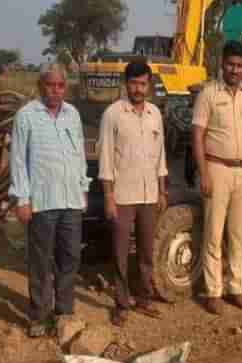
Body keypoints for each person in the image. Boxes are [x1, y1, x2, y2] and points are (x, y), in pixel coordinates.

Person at [9, 64, 91, 337]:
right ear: (40, 86)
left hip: (70, 201)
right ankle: (38, 316)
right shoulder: (26, 116)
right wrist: (22, 198)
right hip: (42, 202)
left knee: (70, 258)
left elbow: (79, 154)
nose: (55, 91)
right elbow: (18, 159)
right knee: (40, 261)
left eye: (60, 86)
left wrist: (83, 189)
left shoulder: (72, 114)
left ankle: (64, 313)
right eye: (50, 85)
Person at [191, 40, 242, 315]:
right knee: (213, 233)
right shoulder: (208, 94)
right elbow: (197, 135)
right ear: (222, 64)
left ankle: (236, 288)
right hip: (217, 169)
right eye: (231, 64)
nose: (235, 70)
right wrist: (204, 172)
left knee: (238, 234)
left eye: (239, 66)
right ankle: (213, 292)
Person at [97, 61, 169, 326]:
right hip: (122, 196)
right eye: (133, 83)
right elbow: (105, 158)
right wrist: (108, 197)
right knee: (119, 251)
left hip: (149, 194)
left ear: (148, 85)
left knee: (147, 252)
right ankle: (121, 303)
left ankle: (144, 299)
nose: (138, 89)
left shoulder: (154, 114)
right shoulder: (113, 114)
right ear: (125, 84)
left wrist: (162, 191)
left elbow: (160, 156)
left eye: (142, 83)